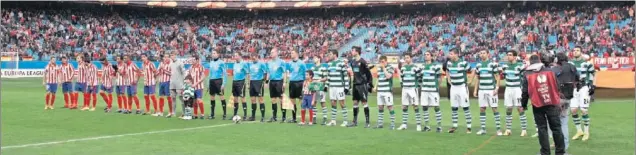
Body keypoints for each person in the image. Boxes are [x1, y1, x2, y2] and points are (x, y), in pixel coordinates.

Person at [521, 54, 566, 155]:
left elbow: (525, 92)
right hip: (552, 102)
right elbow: (557, 86)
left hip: (537, 104)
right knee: (556, 128)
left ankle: (545, 152)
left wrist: (523, 105)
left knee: (542, 128)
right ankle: (560, 152)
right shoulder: (550, 71)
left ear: (530, 62)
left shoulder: (527, 74)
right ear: (540, 60)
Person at [552, 52, 580, 151]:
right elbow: (577, 78)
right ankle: (564, 145)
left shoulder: (555, 69)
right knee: (564, 122)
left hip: (557, 98)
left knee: (556, 123)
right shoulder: (572, 67)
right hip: (568, 97)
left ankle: (559, 145)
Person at [472, 50, 502, 135]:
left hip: (491, 90)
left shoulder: (492, 64)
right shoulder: (478, 65)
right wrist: (475, 90)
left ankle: (499, 129)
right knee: (482, 108)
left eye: (483, 53)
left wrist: (496, 88)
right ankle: (483, 129)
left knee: (494, 108)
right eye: (480, 53)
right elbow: (477, 78)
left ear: (488, 54)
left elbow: (497, 76)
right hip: (482, 90)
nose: (482, 55)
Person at [500, 50, 529, 136]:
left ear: (515, 57)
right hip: (508, 89)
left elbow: (525, 76)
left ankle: (524, 130)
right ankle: (508, 130)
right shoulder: (505, 66)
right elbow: (502, 77)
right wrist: (501, 75)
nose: (508, 56)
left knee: (519, 108)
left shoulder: (520, 66)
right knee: (509, 108)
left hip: (517, 89)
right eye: (507, 55)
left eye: (510, 55)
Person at [569, 46, 595, 141]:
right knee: (573, 110)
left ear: (581, 52)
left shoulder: (587, 63)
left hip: (584, 88)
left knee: (584, 110)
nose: (575, 52)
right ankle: (579, 131)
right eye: (574, 50)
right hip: (574, 88)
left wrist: (592, 85)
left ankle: (586, 132)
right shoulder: (570, 63)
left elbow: (593, 73)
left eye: (577, 50)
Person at [446, 50, 473, 133]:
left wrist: (470, 80)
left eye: (451, 54)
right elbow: (447, 71)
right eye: (449, 53)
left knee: (465, 107)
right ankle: (454, 126)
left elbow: (472, 71)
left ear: (456, 54)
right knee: (454, 107)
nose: (449, 55)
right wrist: (448, 79)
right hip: (453, 87)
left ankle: (469, 127)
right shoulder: (449, 63)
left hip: (462, 87)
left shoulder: (463, 63)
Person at [347, 46, 373, 128]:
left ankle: (367, 122)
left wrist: (369, 84)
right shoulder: (352, 62)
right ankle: (354, 121)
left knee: (364, 102)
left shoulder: (363, 62)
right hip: (355, 85)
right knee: (355, 103)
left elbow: (369, 74)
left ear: (357, 52)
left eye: (353, 50)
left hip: (362, 85)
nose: (351, 52)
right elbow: (354, 73)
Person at [418, 52, 444, 132]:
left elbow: (440, 78)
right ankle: (427, 126)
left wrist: (437, 86)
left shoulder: (435, 66)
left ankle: (439, 126)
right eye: (425, 55)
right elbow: (419, 78)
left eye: (428, 54)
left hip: (433, 90)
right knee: (424, 107)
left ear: (431, 56)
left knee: (436, 107)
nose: (426, 56)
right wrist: (421, 86)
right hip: (424, 91)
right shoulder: (422, 67)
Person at [325, 50, 350, 127]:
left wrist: (346, 87)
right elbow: (328, 76)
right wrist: (326, 85)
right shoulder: (329, 64)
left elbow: (345, 75)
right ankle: (333, 121)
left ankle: (345, 121)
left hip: (339, 87)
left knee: (342, 103)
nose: (329, 55)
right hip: (332, 87)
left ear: (335, 55)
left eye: (330, 54)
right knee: (333, 103)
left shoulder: (341, 63)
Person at [397, 53, 421, 131]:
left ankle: (418, 125)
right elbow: (402, 78)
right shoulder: (403, 68)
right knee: (404, 106)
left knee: (415, 106)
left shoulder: (415, 67)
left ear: (411, 58)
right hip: (405, 89)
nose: (406, 59)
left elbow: (419, 78)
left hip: (412, 89)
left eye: (407, 58)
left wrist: (417, 86)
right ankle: (404, 124)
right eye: (405, 58)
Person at [374, 56, 396, 129]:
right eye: (380, 62)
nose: (381, 63)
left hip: (387, 91)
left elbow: (388, 76)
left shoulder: (390, 67)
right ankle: (380, 124)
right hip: (380, 91)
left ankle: (392, 124)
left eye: (383, 61)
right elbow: (378, 78)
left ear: (386, 61)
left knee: (390, 107)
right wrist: (375, 86)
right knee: (380, 107)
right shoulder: (379, 68)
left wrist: (383, 68)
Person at [286, 50, 307, 123]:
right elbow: (287, 71)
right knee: (292, 101)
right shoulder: (289, 63)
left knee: (301, 101)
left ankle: (302, 118)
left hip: (300, 83)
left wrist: (304, 83)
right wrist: (288, 74)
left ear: (297, 54)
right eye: (291, 53)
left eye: (292, 53)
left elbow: (305, 74)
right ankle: (294, 118)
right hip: (292, 83)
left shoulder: (301, 63)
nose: (291, 54)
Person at [266, 48, 286, 123]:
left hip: (279, 82)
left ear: (277, 53)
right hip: (272, 82)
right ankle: (274, 116)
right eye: (270, 52)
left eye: (272, 52)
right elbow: (268, 72)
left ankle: (283, 117)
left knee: (281, 99)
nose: (271, 54)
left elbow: (284, 72)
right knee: (273, 100)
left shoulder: (281, 62)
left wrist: (284, 82)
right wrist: (267, 81)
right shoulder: (269, 62)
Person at [248, 54, 267, 122]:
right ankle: (253, 116)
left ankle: (262, 117)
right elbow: (249, 74)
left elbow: (265, 73)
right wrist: (248, 83)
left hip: (259, 82)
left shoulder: (262, 64)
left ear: (257, 57)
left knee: (260, 99)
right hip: (252, 82)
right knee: (253, 100)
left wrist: (264, 82)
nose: (253, 58)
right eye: (252, 57)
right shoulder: (250, 64)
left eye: (254, 57)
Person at [208, 50, 227, 119]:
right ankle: (212, 114)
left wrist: (223, 84)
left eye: (214, 53)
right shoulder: (211, 62)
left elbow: (225, 74)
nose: (213, 54)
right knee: (212, 97)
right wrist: (208, 84)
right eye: (212, 53)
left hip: (218, 81)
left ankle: (224, 114)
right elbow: (210, 74)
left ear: (218, 54)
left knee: (221, 97)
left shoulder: (221, 63)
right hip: (212, 81)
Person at [309, 56, 328, 125]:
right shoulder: (312, 68)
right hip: (314, 87)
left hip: (321, 87)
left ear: (319, 59)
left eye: (315, 58)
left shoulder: (323, 68)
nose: (313, 59)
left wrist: (321, 81)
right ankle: (314, 117)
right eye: (313, 58)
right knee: (314, 102)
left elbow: (326, 78)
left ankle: (325, 118)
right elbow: (310, 77)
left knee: (322, 102)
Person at [231, 53, 250, 120]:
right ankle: (235, 114)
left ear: (239, 56)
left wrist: (248, 83)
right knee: (235, 99)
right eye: (234, 55)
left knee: (242, 98)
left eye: (236, 55)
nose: (234, 57)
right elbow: (234, 73)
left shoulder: (244, 63)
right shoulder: (234, 64)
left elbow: (247, 73)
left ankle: (245, 115)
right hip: (235, 82)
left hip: (241, 82)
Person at [169, 53, 187, 118]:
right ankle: (173, 113)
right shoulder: (170, 64)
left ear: (175, 55)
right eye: (171, 55)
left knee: (181, 98)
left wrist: (184, 82)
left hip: (179, 84)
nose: (172, 56)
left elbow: (184, 73)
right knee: (173, 98)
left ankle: (184, 113)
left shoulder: (180, 63)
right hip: (172, 84)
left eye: (173, 55)